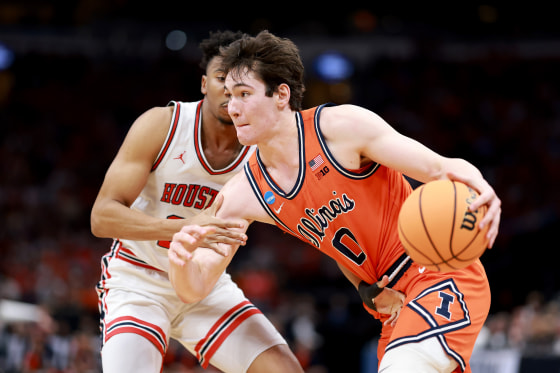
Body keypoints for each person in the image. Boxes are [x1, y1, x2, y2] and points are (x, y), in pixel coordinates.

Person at [168, 30, 502, 373]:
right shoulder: (243, 193)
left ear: (281, 94)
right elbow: (196, 286)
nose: (232, 107)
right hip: (394, 306)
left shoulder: (340, 129)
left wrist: (480, 185)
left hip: (439, 272)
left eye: (243, 94)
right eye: (228, 96)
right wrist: (180, 263)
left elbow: (441, 168)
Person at [90, 30, 304, 373]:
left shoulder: (261, 150)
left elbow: (316, 217)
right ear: (204, 84)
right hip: (139, 281)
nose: (228, 90)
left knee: (285, 369)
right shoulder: (162, 124)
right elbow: (102, 217)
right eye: (221, 78)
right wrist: (183, 227)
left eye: (240, 84)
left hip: (206, 286)